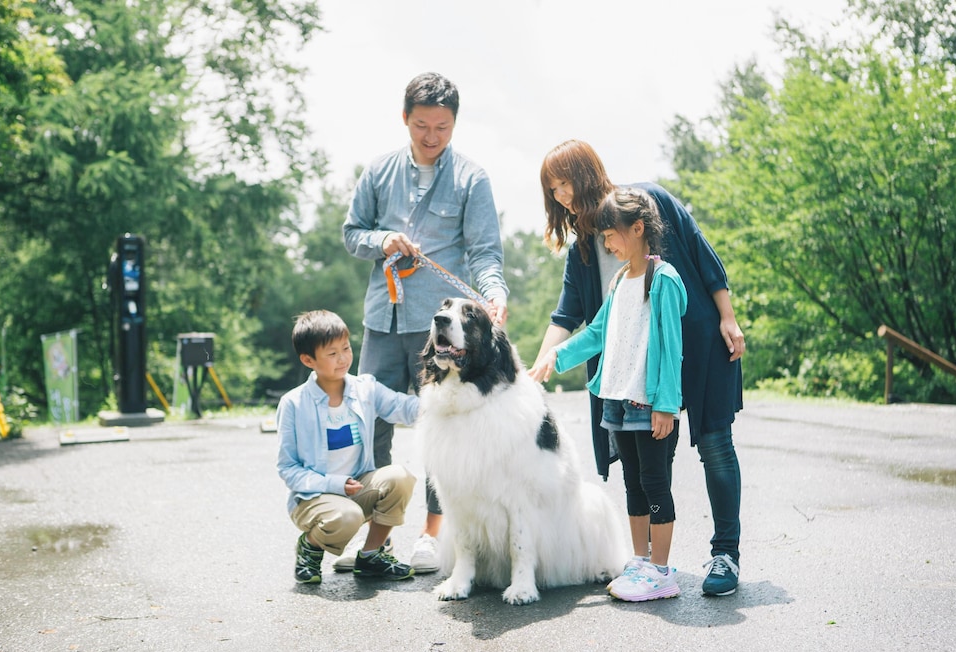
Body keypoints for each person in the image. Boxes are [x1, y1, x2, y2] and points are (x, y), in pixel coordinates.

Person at [530, 139, 746, 596]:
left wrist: (727, 316)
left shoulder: (648, 201)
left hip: (696, 340)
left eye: (564, 183)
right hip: (631, 374)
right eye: (553, 191)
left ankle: (725, 553)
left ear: (586, 174)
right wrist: (543, 362)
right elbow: (570, 317)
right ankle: (648, 563)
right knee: (646, 472)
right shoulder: (585, 250)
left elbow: (702, 254)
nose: (561, 197)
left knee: (715, 445)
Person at [342, 72, 509, 574]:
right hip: (381, 319)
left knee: (440, 429)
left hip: (440, 327)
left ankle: (432, 537)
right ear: (404, 119)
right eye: (421, 125)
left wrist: (494, 292)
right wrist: (382, 241)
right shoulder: (377, 172)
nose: (431, 136)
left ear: (454, 123)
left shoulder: (472, 179)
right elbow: (352, 234)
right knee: (368, 425)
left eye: (442, 126)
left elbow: (484, 253)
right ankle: (372, 540)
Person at [531, 188, 687, 602]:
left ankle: (661, 571)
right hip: (618, 402)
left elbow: (672, 349)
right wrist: (555, 356)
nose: (607, 244)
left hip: (651, 404)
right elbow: (598, 333)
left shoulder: (664, 280)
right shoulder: (620, 280)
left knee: (655, 484)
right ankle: (639, 561)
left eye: (612, 236)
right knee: (633, 483)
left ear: (637, 229)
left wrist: (667, 406)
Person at [277, 309, 418, 583]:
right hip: (314, 498)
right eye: (332, 353)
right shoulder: (294, 403)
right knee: (347, 515)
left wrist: (447, 403)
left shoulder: (365, 388)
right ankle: (310, 547)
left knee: (400, 477)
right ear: (308, 360)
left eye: (346, 348)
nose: (343, 358)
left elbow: (403, 407)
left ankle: (371, 555)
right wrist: (334, 484)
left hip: (356, 489)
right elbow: (287, 468)